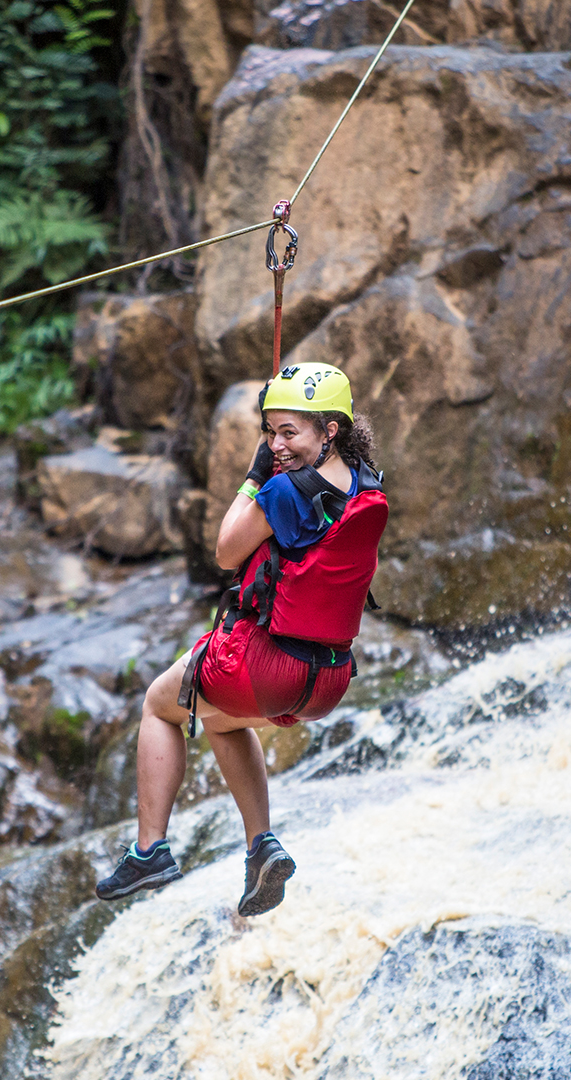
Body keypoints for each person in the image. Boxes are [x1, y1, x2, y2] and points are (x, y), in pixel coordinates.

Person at [94, 362, 389, 917]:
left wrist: (256, 478)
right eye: (270, 431)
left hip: (265, 665)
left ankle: (149, 849)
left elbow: (227, 551)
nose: (276, 444)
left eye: (289, 432)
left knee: (160, 706)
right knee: (221, 720)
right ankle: (261, 847)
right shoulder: (365, 485)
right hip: (326, 679)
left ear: (330, 430)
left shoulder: (285, 491)